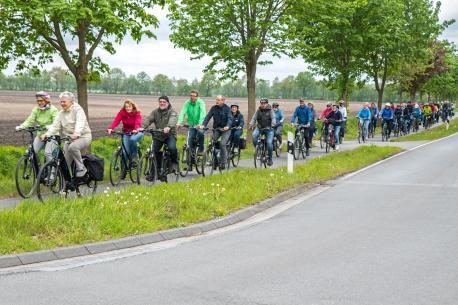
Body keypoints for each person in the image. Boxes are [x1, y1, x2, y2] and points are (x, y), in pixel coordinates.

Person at [41, 91, 91, 178]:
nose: (62, 103)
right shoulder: (61, 113)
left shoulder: (78, 110)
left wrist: (77, 133)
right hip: (69, 139)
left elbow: (80, 122)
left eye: (64, 101)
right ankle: (65, 186)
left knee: (73, 147)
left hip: (83, 137)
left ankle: (81, 168)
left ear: (71, 101)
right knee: (64, 164)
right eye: (61, 101)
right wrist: (47, 134)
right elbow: (55, 126)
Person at [16, 91, 58, 164]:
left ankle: (51, 173)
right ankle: (39, 170)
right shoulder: (36, 110)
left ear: (46, 100)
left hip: (52, 135)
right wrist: (21, 127)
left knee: (48, 153)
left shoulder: (53, 110)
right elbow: (30, 120)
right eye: (38, 101)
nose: (39, 102)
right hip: (40, 135)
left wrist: (48, 127)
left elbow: (56, 123)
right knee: (33, 151)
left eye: (41, 100)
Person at [141, 96, 179, 174]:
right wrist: (142, 127)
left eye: (164, 102)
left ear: (168, 103)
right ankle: (155, 171)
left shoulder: (172, 112)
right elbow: (148, 119)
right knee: (153, 151)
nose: (162, 103)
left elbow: (173, 119)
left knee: (172, 148)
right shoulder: (155, 112)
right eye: (160, 101)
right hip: (158, 135)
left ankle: (174, 163)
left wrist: (168, 127)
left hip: (170, 135)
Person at [107, 99, 143, 166]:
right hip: (126, 132)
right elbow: (116, 120)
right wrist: (111, 128)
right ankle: (123, 171)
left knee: (133, 139)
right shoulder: (122, 112)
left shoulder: (137, 113)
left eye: (129, 107)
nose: (128, 108)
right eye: (126, 107)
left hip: (136, 132)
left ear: (133, 107)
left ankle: (135, 156)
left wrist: (135, 129)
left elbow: (137, 123)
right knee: (124, 152)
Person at [202, 95, 233, 170]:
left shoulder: (227, 109)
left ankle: (223, 162)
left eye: (219, 100)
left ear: (223, 101)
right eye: (216, 100)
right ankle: (213, 161)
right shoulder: (213, 108)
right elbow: (208, 117)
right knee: (210, 144)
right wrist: (203, 125)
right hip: (217, 129)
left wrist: (228, 126)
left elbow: (230, 118)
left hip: (226, 130)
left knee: (222, 144)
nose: (217, 101)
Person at [177, 90, 206, 155]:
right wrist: (179, 122)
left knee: (200, 133)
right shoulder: (187, 103)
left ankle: (201, 149)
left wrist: (200, 123)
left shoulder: (201, 102)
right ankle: (191, 156)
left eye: (194, 96)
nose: (192, 97)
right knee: (190, 139)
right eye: (191, 96)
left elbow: (203, 114)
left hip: (200, 124)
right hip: (191, 124)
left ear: (197, 97)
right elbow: (182, 112)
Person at [249, 98, 276, 166]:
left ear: (267, 103)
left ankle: (270, 159)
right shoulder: (258, 110)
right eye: (261, 103)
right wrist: (251, 125)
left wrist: (273, 124)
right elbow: (254, 118)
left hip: (269, 129)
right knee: (254, 135)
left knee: (269, 143)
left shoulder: (271, 110)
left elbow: (273, 118)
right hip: (259, 128)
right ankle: (258, 150)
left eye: (264, 103)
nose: (263, 104)